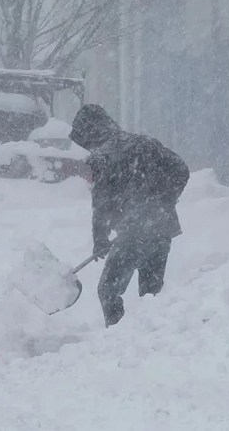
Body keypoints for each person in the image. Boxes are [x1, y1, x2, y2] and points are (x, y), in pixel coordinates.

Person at [68, 104, 190, 327]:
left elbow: (102, 204)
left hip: (133, 235)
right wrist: (163, 202)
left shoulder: (101, 157)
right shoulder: (144, 142)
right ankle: (154, 338)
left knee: (108, 290)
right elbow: (181, 170)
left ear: (90, 133)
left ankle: (118, 339)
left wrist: (100, 239)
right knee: (151, 294)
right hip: (161, 229)